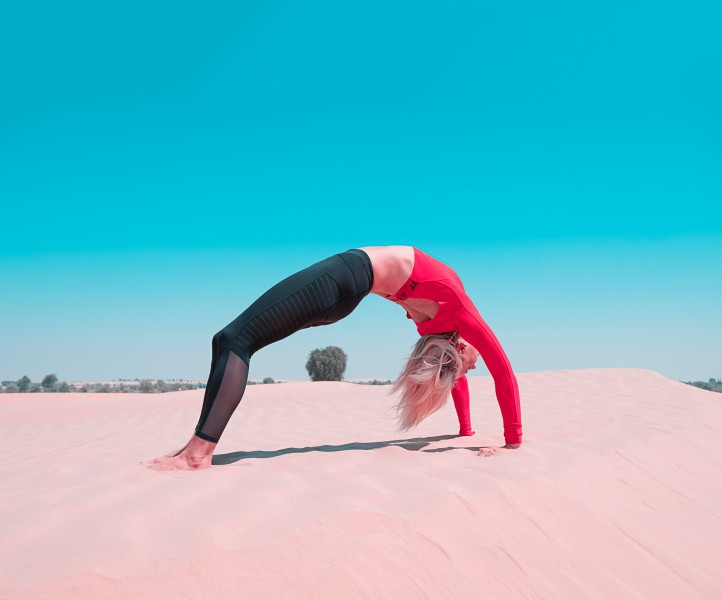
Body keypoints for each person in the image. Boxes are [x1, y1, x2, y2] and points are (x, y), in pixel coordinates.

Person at [147, 246, 522, 471]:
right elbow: (467, 372)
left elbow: (499, 370)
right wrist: (468, 432)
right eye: (473, 365)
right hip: (346, 290)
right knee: (228, 341)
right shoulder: (443, 328)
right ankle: (192, 446)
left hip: (346, 276)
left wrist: (512, 443)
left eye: (469, 367)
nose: (475, 365)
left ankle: (197, 454)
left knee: (235, 339)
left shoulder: (453, 319)